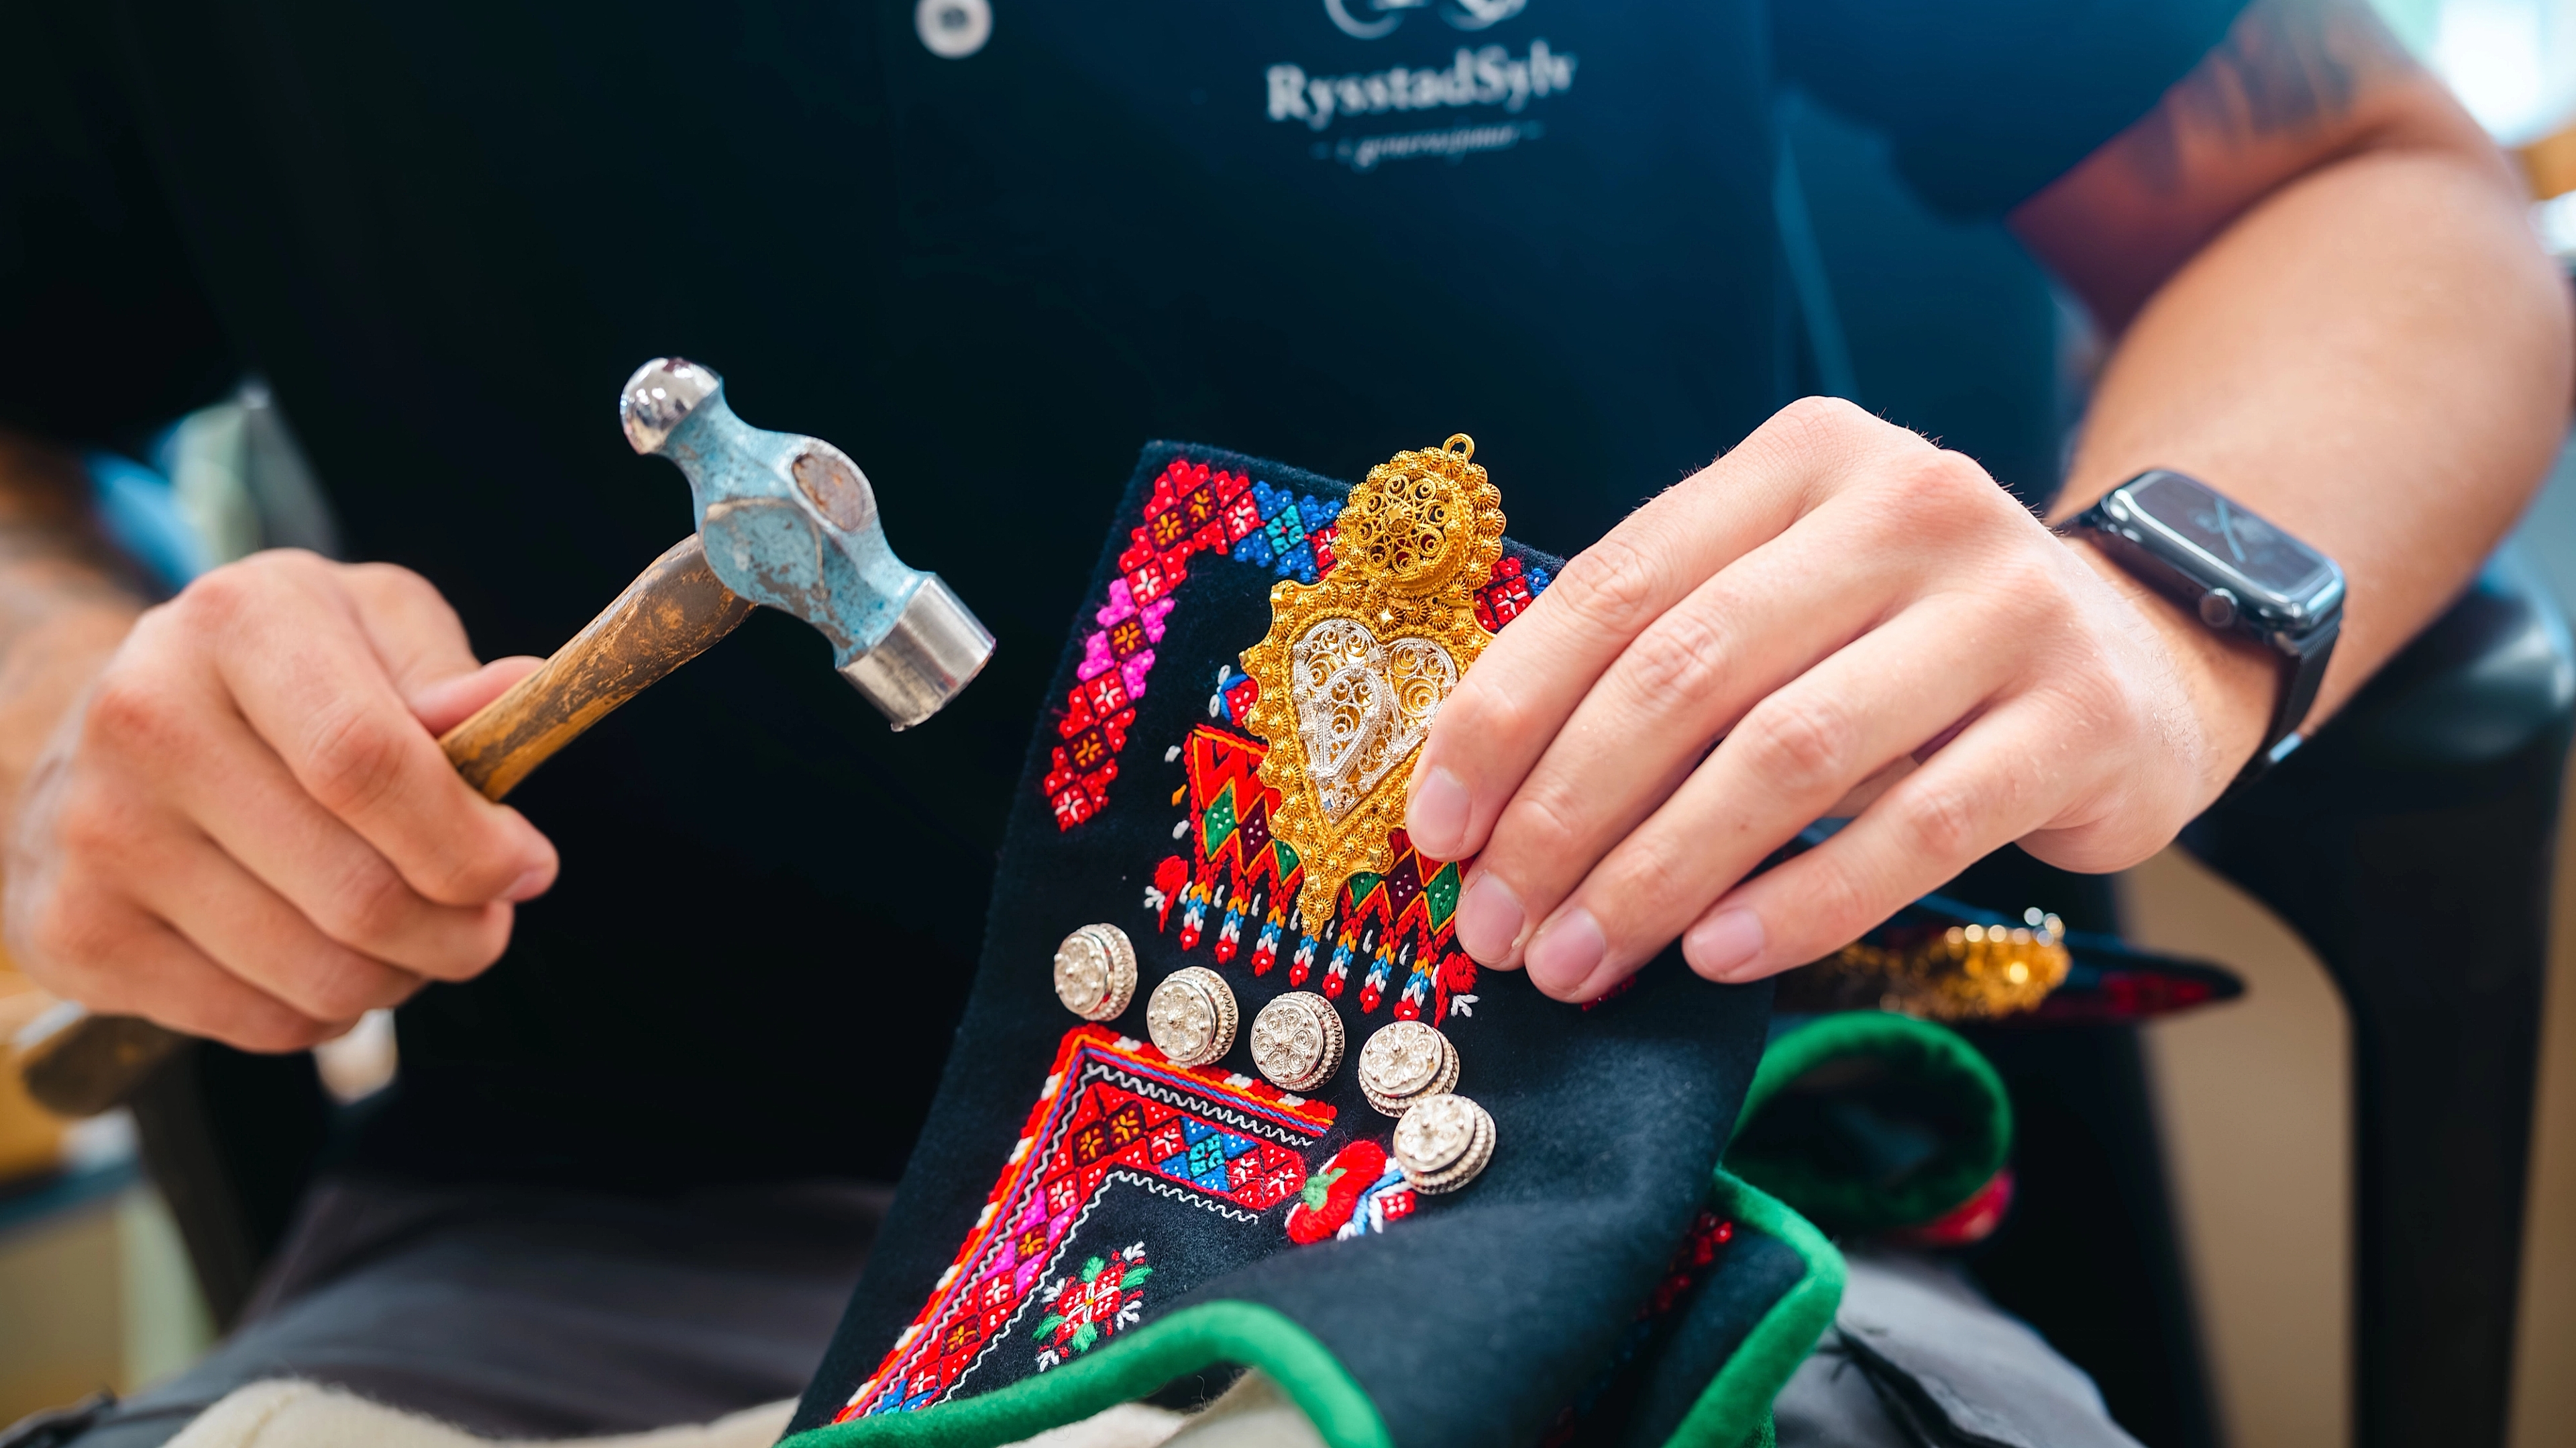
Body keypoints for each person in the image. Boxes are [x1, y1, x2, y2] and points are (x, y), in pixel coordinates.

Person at [0, 0, 2562, 1443]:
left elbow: (2364, 181)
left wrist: (2160, 613)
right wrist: (66, 738)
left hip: (1585, 1169)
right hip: (581, 1252)